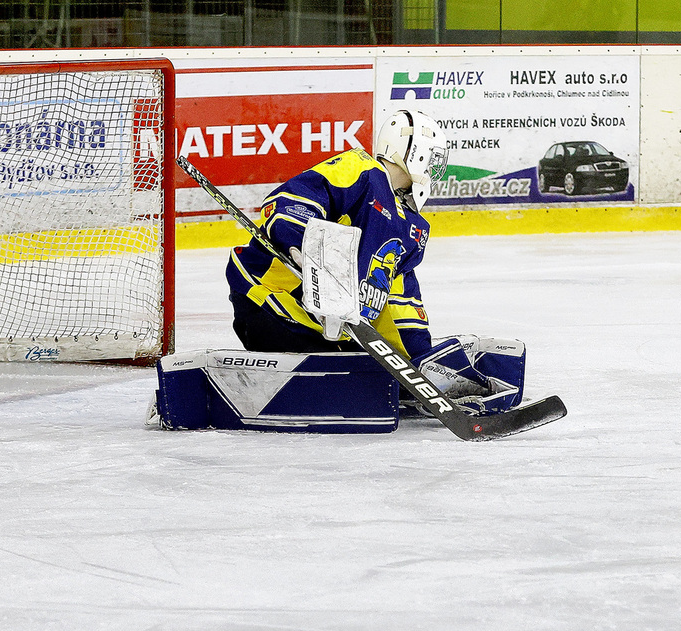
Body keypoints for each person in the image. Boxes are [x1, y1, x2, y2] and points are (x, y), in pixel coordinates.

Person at [225, 108, 525, 415]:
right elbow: (292, 200)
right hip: (270, 300)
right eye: (433, 158)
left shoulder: (413, 228)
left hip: (326, 329)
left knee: (376, 380)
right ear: (414, 151)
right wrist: (300, 242)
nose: (435, 169)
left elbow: (401, 304)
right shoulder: (362, 170)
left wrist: (421, 366)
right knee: (354, 386)